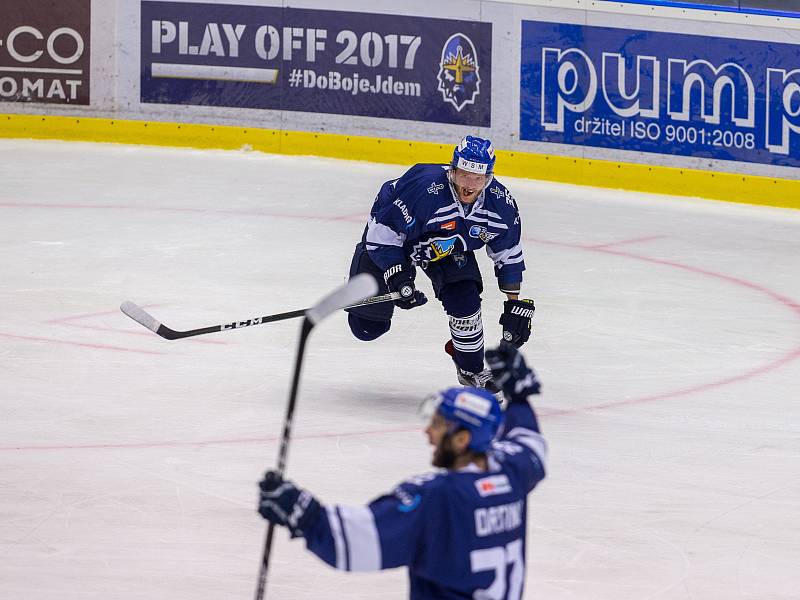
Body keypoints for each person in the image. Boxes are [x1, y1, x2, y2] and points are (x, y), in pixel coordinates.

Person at [257, 342, 547, 600]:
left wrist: (301, 511)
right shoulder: (512, 473)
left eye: (439, 425)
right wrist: (519, 398)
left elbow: (357, 542)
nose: (428, 433)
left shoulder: (439, 498)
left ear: (462, 440)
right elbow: (529, 443)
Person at [345, 135, 536, 391]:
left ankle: (471, 368)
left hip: (443, 249)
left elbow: (508, 253)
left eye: (478, 178)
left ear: (488, 177)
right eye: (464, 175)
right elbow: (382, 232)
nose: (470, 185)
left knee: (465, 299)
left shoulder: (500, 204)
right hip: (395, 242)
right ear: (453, 170)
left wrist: (514, 305)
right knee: (366, 328)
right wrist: (398, 276)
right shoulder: (423, 188)